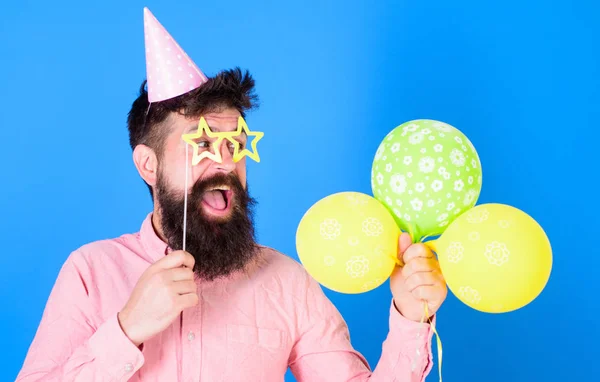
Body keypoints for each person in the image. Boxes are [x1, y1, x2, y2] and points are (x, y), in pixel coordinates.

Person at [16, 8, 447, 382]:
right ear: (148, 165)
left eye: (235, 144)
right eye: (202, 144)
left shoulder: (285, 282)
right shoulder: (91, 272)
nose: (224, 162)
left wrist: (411, 317)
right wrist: (127, 329)